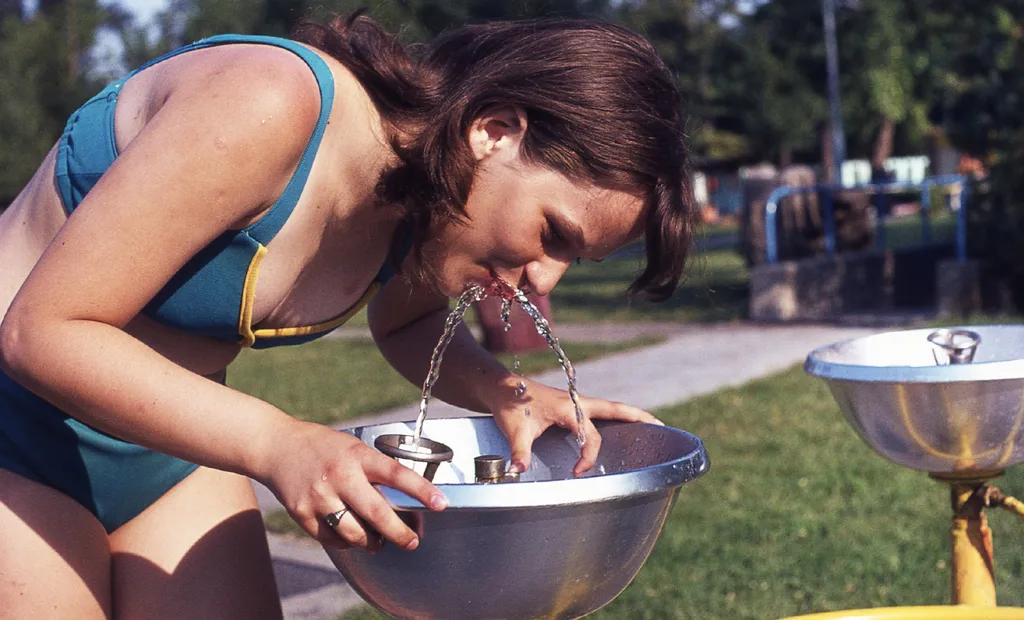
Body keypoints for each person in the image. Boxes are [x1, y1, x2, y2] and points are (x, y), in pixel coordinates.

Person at [0, 11, 695, 619]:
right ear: (496, 130)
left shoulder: (414, 205)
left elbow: (403, 323)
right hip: (14, 427)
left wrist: (508, 394)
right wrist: (278, 443)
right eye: (555, 233)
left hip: (166, 450)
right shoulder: (268, 104)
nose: (545, 278)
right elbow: (43, 332)